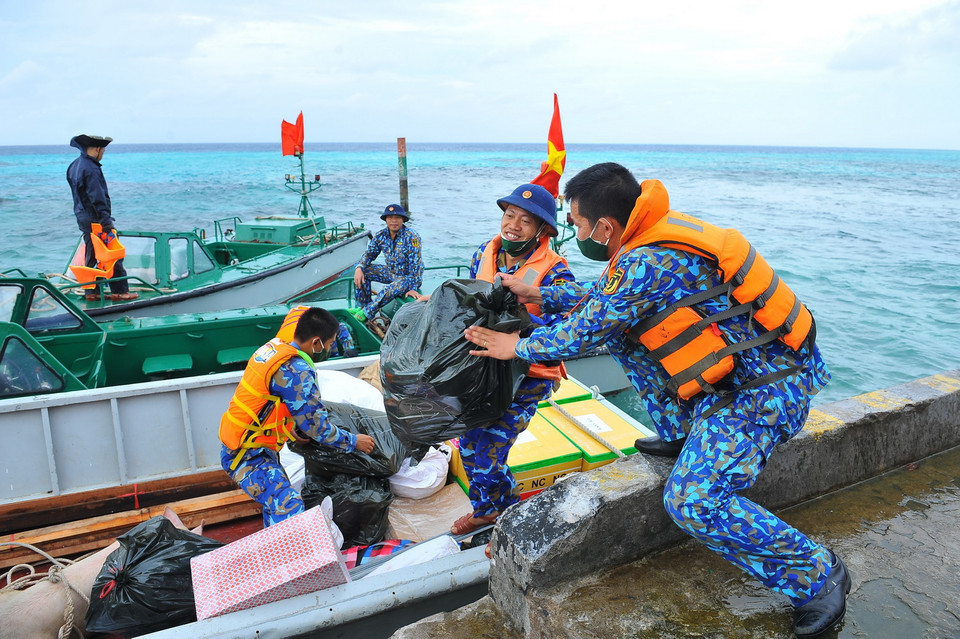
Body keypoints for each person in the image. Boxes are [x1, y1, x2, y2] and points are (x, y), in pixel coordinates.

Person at [464, 163, 849, 638]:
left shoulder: (645, 261)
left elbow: (586, 330)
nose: (577, 234)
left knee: (692, 502)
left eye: (579, 224)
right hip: (744, 377)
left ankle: (816, 575)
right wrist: (539, 292)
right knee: (625, 335)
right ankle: (682, 433)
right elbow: (611, 301)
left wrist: (516, 346)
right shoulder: (653, 238)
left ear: (605, 227)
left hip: (762, 393)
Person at [449, 183, 575, 557]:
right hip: (484, 369)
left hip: (528, 375)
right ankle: (487, 510)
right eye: (509, 215)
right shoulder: (483, 253)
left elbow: (566, 331)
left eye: (525, 221)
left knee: (490, 449)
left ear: (542, 230)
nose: (513, 226)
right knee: (469, 444)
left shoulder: (556, 272)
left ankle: (505, 521)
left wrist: (519, 329)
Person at [219, 306, 375, 527]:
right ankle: (288, 549)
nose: (330, 349)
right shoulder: (297, 371)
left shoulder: (275, 348)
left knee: (275, 502)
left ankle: (274, 542)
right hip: (248, 456)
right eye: (330, 344)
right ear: (316, 343)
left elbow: (269, 401)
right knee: (289, 508)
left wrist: (289, 425)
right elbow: (316, 427)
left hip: (248, 445)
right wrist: (354, 441)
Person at [66, 134, 138, 301]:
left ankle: (92, 292)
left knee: (92, 254)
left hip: (82, 218)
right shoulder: (91, 168)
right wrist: (106, 222)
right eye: (103, 150)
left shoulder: (74, 166)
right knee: (112, 254)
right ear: (97, 149)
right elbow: (97, 197)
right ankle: (120, 291)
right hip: (96, 219)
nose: (103, 154)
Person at [352, 204, 424, 322]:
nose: (393, 221)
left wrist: (413, 288)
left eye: (397, 218)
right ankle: (361, 306)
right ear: (385, 220)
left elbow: (416, 265)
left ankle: (367, 311)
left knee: (393, 286)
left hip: (408, 278)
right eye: (390, 217)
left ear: (403, 219)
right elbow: (369, 254)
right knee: (363, 272)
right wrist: (359, 268)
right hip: (391, 273)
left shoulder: (411, 237)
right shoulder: (381, 235)